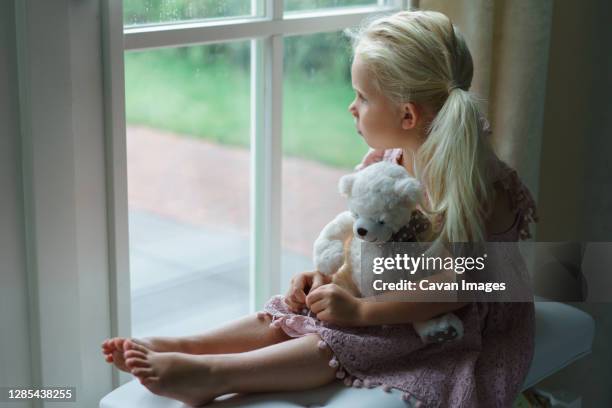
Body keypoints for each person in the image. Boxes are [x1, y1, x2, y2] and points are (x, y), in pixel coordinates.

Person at [101, 10, 538, 407]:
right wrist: (329, 277)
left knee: (357, 336)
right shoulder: (388, 163)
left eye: (362, 97)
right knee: (297, 311)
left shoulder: (473, 186)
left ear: (407, 116)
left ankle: (212, 375)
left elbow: (454, 288)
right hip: (392, 285)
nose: (352, 106)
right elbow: (364, 240)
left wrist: (362, 311)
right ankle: (187, 345)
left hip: (458, 311)